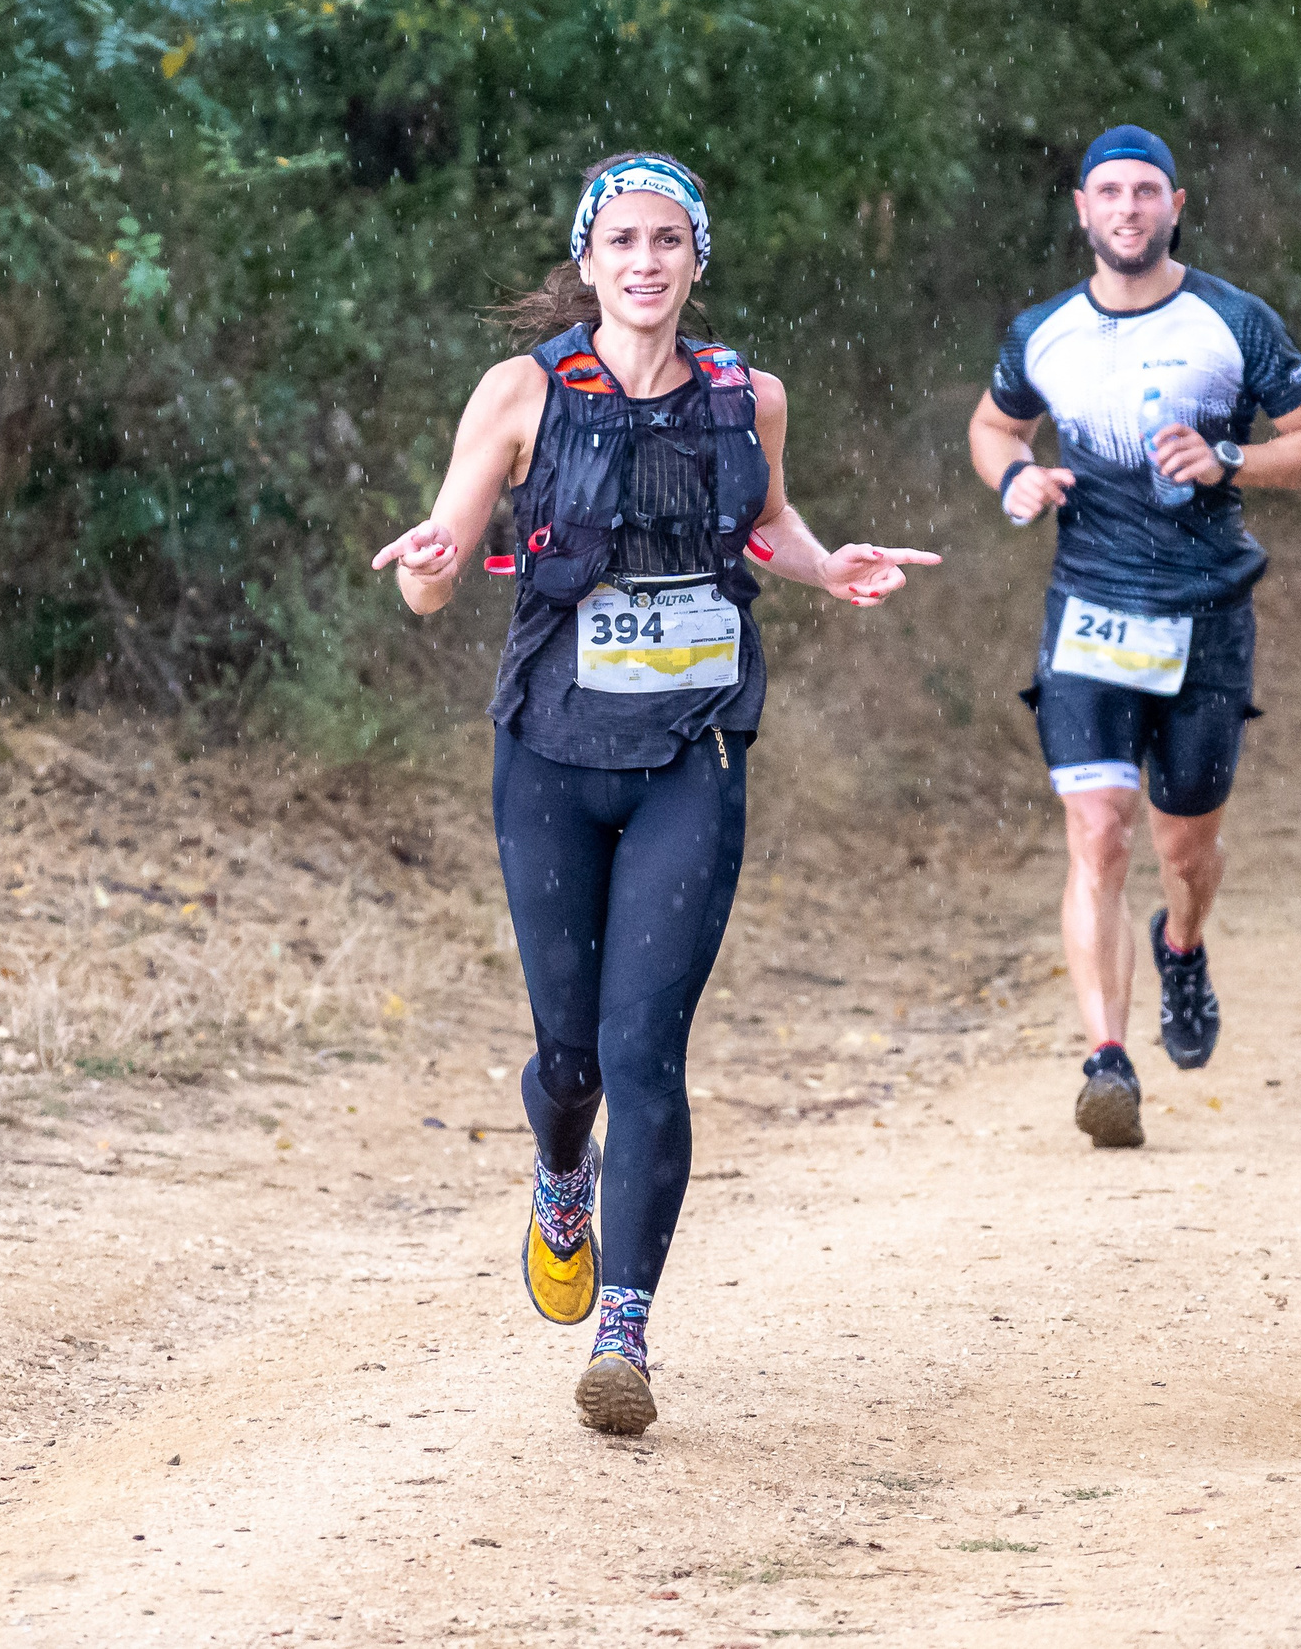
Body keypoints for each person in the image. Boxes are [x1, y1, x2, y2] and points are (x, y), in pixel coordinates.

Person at [372, 151, 938, 1434]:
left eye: (666, 240)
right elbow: (439, 560)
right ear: (588, 260)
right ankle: (559, 1167)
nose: (643, 261)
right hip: (552, 764)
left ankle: (622, 1332)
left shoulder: (751, 397)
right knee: (570, 1058)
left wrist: (823, 564)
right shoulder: (522, 392)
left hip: (694, 754)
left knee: (646, 1050)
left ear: (696, 258)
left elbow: (762, 527)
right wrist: (428, 560)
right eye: (620, 240)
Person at [965, 125, 1301, 1149]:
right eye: (1108, 193)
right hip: (1086, 613)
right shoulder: (1042, 332)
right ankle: (1108, 1061)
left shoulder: (1233, 321)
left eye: (1146, 192)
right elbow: (993, 424)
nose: (1127, 209)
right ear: (1082, 212)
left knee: (1187, 847)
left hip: (1204, 617)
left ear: (1174, 204)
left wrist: (1227, 458)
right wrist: (1016, 478)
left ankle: (1181, 945)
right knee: (1097, 830)